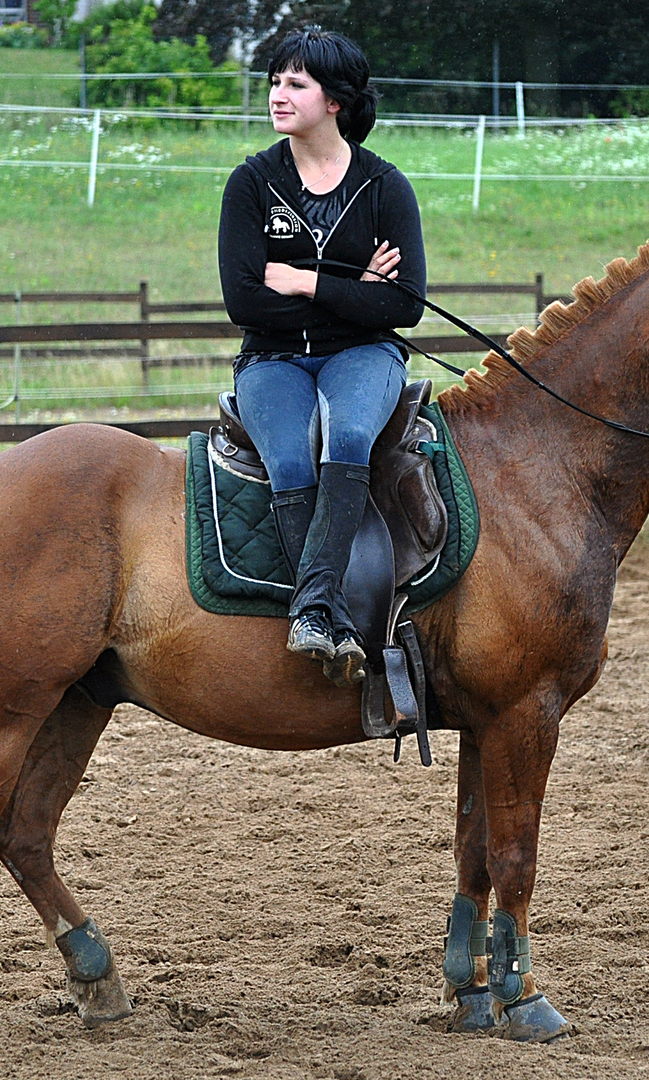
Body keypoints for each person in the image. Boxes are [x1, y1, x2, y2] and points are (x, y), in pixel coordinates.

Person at [218, 28, 427, 688]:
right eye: (276, 81)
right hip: (271, 361)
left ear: (334, 100)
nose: (278, 94)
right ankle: (322, 612)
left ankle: (312, 611)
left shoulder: (386, 187)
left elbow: (404, 306)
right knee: (284, 456)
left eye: (295, 84)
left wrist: (306, 282)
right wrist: (353, 290)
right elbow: (245, 302)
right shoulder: (250, 184)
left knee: (350, 437)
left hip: (364, 356)